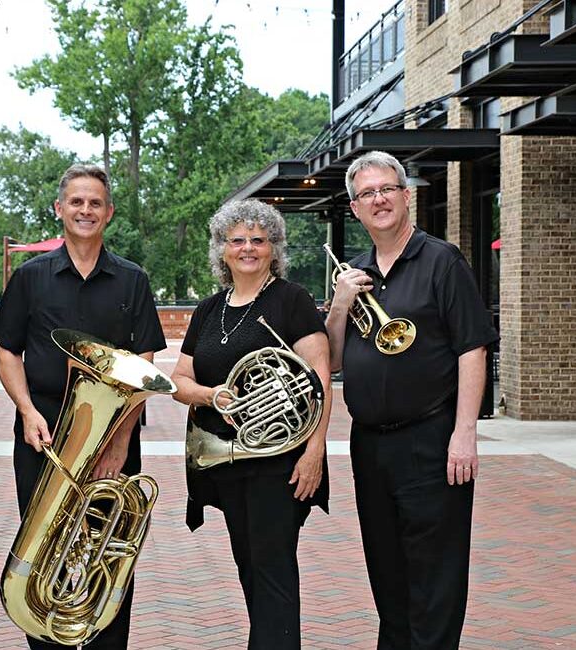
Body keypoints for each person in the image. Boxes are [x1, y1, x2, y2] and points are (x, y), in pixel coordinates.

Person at [0, 163, 167, 649]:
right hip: (43, 437)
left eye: (95, 203)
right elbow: (8, 352)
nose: (85, 210)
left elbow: (146, 362)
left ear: (109, 213)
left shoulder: (132, 279)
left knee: (106, 556)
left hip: (114, 439)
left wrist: (122, 439)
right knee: (44, 552)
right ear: (59, 208)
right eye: (76, 201)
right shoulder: (30, 277)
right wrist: (26, 410)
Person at [326, 150, 498, 650]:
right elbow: (331, 360)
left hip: (431, 439)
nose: (378, 200)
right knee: (387, 574)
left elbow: (472, 348)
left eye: (387, 189)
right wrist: (339, 304)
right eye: (367, 194)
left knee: (435, 577)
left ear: (406, 196)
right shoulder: (353, 273)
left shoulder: (442, 261)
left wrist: (464, 433)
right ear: (355, 208)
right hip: (370, 445)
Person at [170, 199, 332, 649]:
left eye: (259, 240)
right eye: (237, 240)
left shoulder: (291, 300)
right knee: (250, 569)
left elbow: (320, 380)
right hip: (227, 459)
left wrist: (315, 452)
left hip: (278, 462)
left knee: (273, 573)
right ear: (221, 249)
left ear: (273, 249)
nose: (248, 248)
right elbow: (179, 380)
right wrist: (212, 395)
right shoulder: (209, 309)